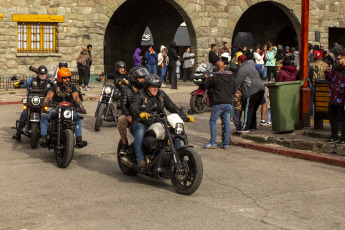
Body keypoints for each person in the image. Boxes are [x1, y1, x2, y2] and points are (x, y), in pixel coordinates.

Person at [129, 74, 194, 169]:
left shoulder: (161, 94)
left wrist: (184, 116)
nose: (156, 89)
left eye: (157, 86)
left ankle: (178, 155)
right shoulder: (140, 94)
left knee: (174, 131)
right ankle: (140, 159)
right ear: (147, 86)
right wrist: (139, 113)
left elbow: (171, 106)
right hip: (142, 121)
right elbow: (133, 105)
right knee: (139, 131)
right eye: (153, 86)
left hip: (159, 120)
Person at [39, 68, 87, 148]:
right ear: (59, 78)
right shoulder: (55, 86)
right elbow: (49, 95)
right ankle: (43, 137)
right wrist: (45, 102)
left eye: (68, 77)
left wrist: (81, 106)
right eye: (65, 78)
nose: (67, 79)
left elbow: (76, 97)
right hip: (56, 108)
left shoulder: (72, 87)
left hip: (68, 109)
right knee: (44, 115)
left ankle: (79, 139)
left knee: (78, 118)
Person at [12, 66, 52, 141]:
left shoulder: (49, 82)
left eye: (44, 73)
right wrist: (19, 84)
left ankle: (52, 134)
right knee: (24, 114)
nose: (42, 75)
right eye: (41, 73)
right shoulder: (32, 80)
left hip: (44, 103)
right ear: (38, 73)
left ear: (46, 74)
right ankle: (18, 133)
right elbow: (24, 84)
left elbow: (55, 87)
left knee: (50, 114)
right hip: (32, 103)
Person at [202, 61, 235, 149]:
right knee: (227, 123)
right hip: (228, 103)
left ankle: (213, 142)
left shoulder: (216, 77)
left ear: (216, 68)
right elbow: (234, 88)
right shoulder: (231, 76)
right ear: (224, 67)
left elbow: (206, 85)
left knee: (213, 121)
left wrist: (206, 78)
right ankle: (226, 143)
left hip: (218, 103)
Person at [118, 66, 148, 154]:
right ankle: (124, 143)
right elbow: (123, 105)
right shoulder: (126, 89)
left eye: (144, 77)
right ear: (134, 78)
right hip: (131, 114)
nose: (142, 80)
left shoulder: (146, 89)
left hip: (145, 114)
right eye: (140, 78)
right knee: (121, 120)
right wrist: (128, 115)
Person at [235, 55, 265, 132]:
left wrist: (232, 92)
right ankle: (252, 126)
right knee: (253, 109)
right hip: (261, 89)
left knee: (248, 109)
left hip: (252, 90)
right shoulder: (251, 66)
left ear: (239, 62)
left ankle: (246, 127)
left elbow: (237, 82)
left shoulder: (242, 69)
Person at [324, 52, 345, 144]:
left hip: (341, 99)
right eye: (336, 59)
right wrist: (327, 72)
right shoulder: (336, 69)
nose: (337, 61)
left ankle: (343, 138)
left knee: (342, 119)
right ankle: (334, 135)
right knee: (331, 117)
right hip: (333, 98)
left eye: (339, 59)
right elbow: (330, 79)